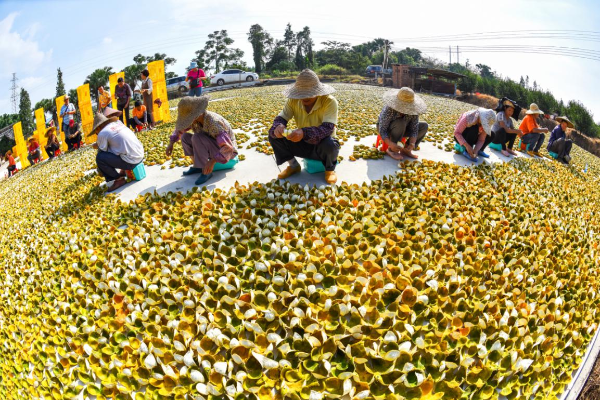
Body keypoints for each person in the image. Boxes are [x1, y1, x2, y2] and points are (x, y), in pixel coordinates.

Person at [268, 69, 340, 184]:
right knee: (273, 135)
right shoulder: (293, 101)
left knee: (330, 144)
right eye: (302, 95)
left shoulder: (329, 101)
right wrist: (279, 126)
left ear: (318, 92)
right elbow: (281, 118)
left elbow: (327, 129)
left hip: (321, 147)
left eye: (310, 94)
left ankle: (330, 170)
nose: (305, 98)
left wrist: (304, 133)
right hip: (303, 144)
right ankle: (293, 166)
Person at [166, 96, 237, 185]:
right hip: (212, 144)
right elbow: (180, 130)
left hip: (226, 151)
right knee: (185, 137)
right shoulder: (196, 120)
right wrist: (171, 143)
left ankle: (206, 172)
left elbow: (228, 147)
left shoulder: (213, 122)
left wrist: (212, 162)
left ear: (196, 115)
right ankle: (198, 166)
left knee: (197, 137)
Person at [89, 112, 145, 192]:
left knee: (100, 157)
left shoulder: (102, 133)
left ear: (98, 128)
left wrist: (96, 145)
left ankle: (119, 180)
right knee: (115, 146)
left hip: (132, 161)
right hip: (140, 155)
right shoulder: (118, 123)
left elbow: (102, 150)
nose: (96, 134)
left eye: (96, 132)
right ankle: (123, 170)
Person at [377, 87, 428, 160]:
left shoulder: (413, 111)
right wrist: (391, 144)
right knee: (400, 122)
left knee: (424, 126)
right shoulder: (389, 109)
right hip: (386, 129)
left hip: (402, 128)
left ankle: (406, 150)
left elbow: (414, 129)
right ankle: (391, 150)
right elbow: (382, 130)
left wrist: (412, 143)